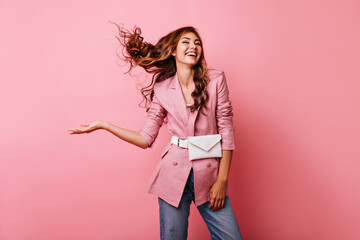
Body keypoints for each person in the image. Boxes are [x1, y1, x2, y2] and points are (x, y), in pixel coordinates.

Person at [68, 24, 243, 240]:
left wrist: (222, 179)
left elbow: (226, 129)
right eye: (186, 42)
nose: (193, 46)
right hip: (173, 174)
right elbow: (145, 138)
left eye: (197, 43)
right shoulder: (162, 89)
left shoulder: (215, 80)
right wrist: (105, 125)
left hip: (208, 174)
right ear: (173, 51)